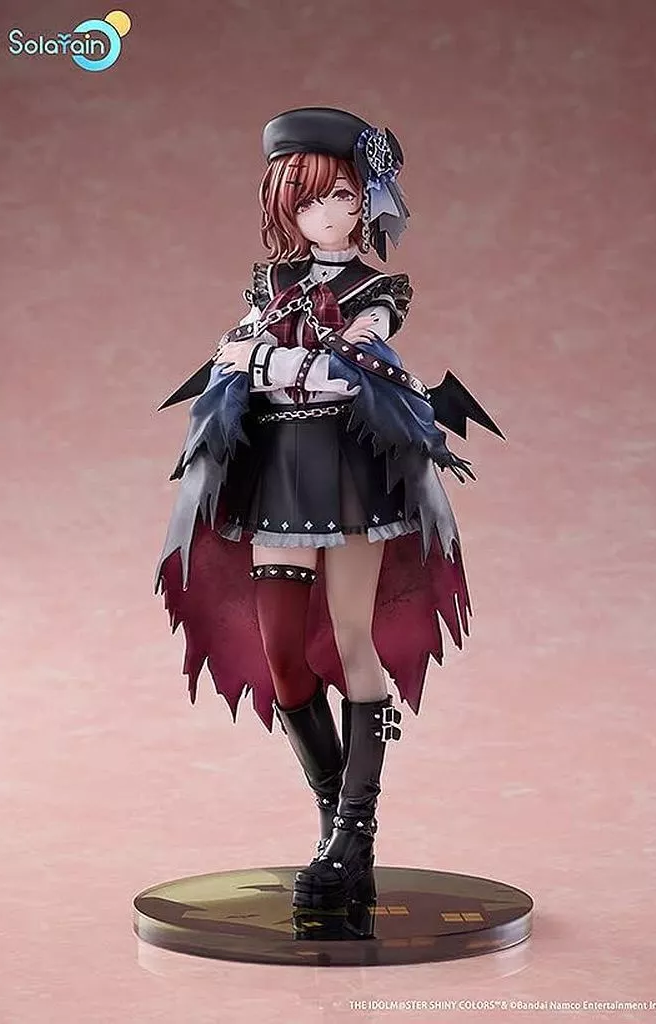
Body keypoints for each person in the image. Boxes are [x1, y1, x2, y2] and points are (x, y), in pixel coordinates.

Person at [154, 107, 501, 911]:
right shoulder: (269, 284)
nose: (323, 213)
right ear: (283, 203)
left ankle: (353, 831)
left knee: (350, 637)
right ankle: (333, 818)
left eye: (339, 195)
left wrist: (268, 361)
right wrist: (275, 361)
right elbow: (229, 361)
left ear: (366, 200)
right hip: (276, 474)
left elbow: (350, 373)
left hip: (348, 474)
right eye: (305, 198)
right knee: (282, 656)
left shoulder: (375, 291)